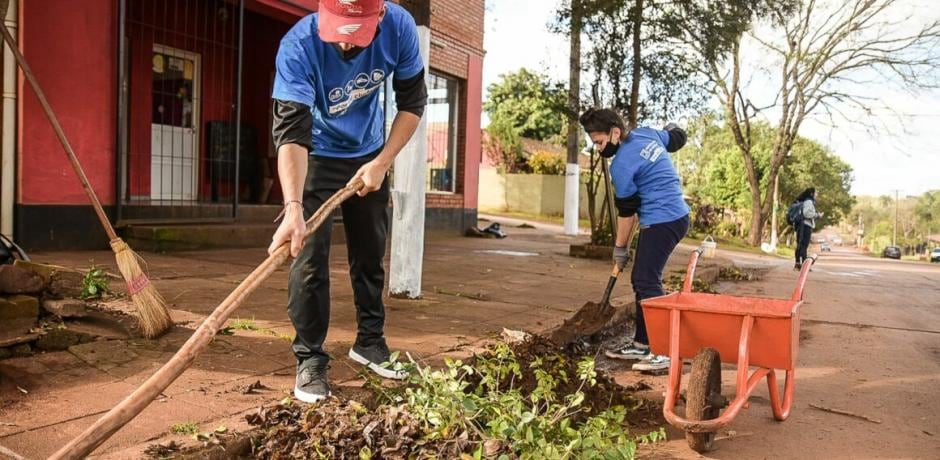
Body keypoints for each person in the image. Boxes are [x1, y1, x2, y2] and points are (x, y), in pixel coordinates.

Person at [268, 0, 428, 403]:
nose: (343, 46)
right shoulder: (299, 44)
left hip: (370, 153)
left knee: (371, 253)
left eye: (353, 34)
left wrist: (381, 162)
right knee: (308, 262)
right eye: (336, 31)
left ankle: (370, 343)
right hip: (317, 155)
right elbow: (291, 133)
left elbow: (412, 103)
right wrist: (293, 209)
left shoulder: (400, 28)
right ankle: (311, 360)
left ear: (378, 16)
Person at [579, 108, 689, 372]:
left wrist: (620, 249)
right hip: (673, 217)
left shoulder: (621, 167)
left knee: (646, 280)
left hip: (663, 220)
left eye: (599, 142)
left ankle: (663, 351)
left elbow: (627, 214)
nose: (597, 149)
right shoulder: (647, 134)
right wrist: (674, 128)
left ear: (615, 133)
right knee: (642, 279)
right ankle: (642, 343)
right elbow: (677, 139)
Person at [792, 187, 821, 270]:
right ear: (812, 194)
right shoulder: (809, 202)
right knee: (804, 245)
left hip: (801, 225)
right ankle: (804, 266)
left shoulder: (804, 201)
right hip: (805, 225)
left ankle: (797, 263)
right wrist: (817, 215)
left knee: (800, 245)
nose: (817, 195)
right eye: (816, 193)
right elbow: (806, 213)